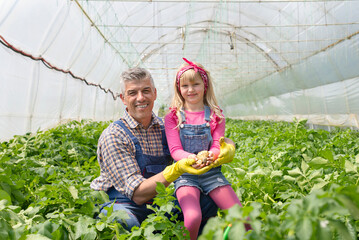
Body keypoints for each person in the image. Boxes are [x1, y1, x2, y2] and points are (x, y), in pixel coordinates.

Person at [90, 67, 235, 233]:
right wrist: (176, 169)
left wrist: (228, 145)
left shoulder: (166, 126)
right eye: (132, 93)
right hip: (124, 203)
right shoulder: (115, 135)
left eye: (146, 91)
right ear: (123, 98)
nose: (140, 98)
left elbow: (204, 140)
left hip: (158, 202)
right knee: (125, 223)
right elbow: (137, 195)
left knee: (206, 201)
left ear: (155, 94)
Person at [164, 58, 246, 240]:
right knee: (193, 217)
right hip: (185, 174)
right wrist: (193, 159)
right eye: (185, 85)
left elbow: (217, 144)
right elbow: (175, 150)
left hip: (211, 173)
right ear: (179, 88)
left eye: (195, 84)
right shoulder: (173, 117)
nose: (190, 90)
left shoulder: (216, 115)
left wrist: (211, 155)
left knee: (242, 217)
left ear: (205, 85)